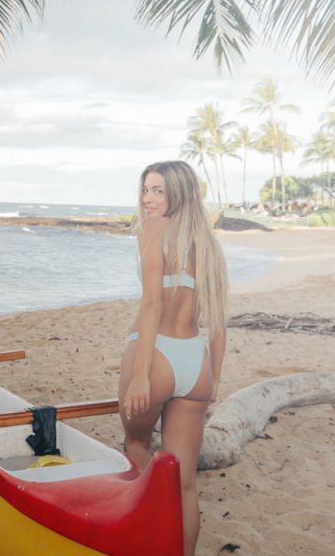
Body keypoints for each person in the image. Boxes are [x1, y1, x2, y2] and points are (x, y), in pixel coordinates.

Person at [119, 160, 229, 556]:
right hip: (194, 360)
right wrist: (212, 378)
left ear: (178, 194)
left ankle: (142, 541)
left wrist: (140, 377)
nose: (148, 199)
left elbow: (151, 305)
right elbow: (218, 320)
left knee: (136, 444)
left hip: (158, 355)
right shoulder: (209, 244)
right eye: (146, 189)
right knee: (184, 481)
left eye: (158, 191)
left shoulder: (152, 230)